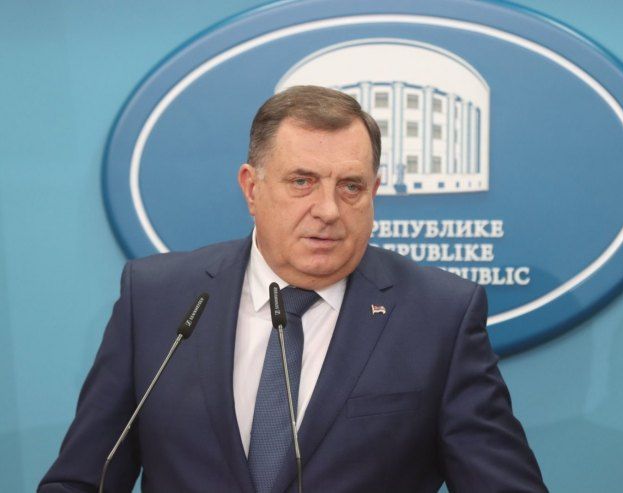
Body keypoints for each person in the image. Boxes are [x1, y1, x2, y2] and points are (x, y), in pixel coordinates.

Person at [40, 86, 547, 492]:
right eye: (302, 181)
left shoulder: (439, 316)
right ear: (252, 188)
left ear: (374, 192)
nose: (328, 210)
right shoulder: (157, 299)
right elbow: (82, 478)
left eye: (350, 186)